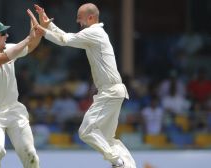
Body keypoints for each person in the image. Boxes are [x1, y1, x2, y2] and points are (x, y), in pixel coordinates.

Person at [33, 3, 136, 168]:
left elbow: (65, 40)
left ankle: (117, 162)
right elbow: (67, 37)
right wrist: (48, 25)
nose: (77, 21)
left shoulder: (94, 32)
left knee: (86, 131)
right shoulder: (93, 34)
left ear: (91, 17)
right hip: (112, 91)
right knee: (107, 138)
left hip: (109, 91)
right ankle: (129, 166)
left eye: (79, 18)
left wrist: (43, 31)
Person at [0, 10, 43, 168]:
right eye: (3, 33)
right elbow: (4, 58)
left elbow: (30, 46)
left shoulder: (9, 48)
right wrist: (28, 37)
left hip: (14, 111)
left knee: (31, 155)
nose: (7, 36)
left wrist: (39, 32)